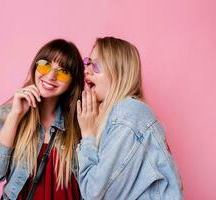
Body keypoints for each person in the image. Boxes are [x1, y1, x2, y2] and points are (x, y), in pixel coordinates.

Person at [76, 36, 183, 199]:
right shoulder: (114, 115)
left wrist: (88, 135)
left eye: (96, 65)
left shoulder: (128, 114)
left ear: (120, 72)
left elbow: (94, 193)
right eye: (88, 62)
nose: (87, 70)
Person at [0, 39, 84, 200]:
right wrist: (15, 116)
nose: (51, 76)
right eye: (45, 65)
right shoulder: (6, 113)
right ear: (35, 66)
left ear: (72, 81)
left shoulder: (81, 121)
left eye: (63, 72)